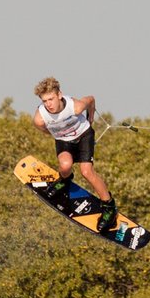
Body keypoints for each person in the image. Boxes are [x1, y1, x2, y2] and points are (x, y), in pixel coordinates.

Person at [30, 77, 119, 232]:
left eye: (51, 99)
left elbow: (91, 99)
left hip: (84, 135)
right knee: (65, 166)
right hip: (64, 139)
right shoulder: (39, 118)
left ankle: (109, 207)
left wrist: (91, 116)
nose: (48, 104)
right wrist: (59, 133)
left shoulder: (75, 107)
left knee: (86, 172)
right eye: (44, 101)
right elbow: (45, 130)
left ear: (59, 95)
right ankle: (64, 181)